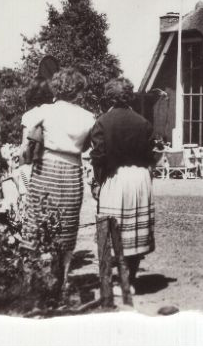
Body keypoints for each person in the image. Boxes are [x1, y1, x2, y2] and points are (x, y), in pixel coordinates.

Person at [21, 69, 96, 306]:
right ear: (79, 91)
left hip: (47, 167)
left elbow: (26, 129)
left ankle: (31, 282)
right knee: (66, 227)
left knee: (36, 222)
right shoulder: (88, 117)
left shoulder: (45, 111)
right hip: (72, 170)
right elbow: (87, 146)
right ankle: (61, 282)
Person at [88, 81, 155, 301]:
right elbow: (149, 155)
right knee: (133, 231)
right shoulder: (143, 122)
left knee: (112, 230)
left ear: (108, 98)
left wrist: (97, 182)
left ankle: (116, 280)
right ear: (131, 97)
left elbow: (98, 157)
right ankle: (131, 280)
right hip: (139, 178)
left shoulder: (102, 122)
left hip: (115, 177)